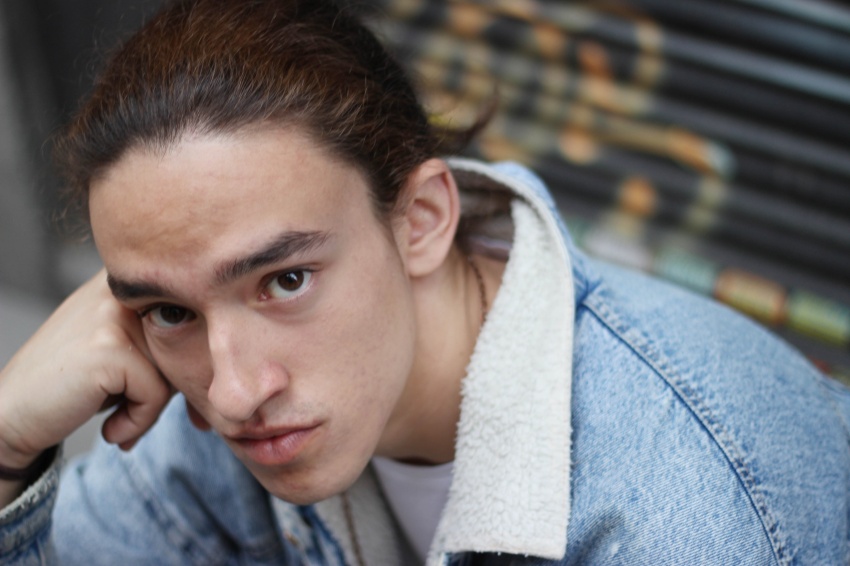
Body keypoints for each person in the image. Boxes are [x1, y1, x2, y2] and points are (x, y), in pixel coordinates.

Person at [1, 0, 848, 563]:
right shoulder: (232, 422)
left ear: (421, 221)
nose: (231, 392)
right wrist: (6, 446)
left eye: (285, 280)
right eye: (169, 309)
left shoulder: (685, 512)